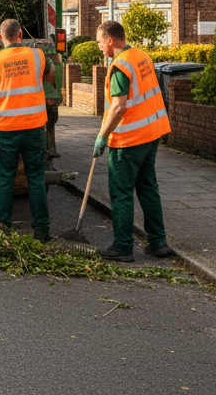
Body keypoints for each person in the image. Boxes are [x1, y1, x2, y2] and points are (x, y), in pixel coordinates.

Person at [92, 20, 172, 262]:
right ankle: (158, 243)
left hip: (129, 139)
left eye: (98, 42)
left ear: (110, 40)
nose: (98, 47)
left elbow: (118, 106)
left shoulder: (119, 67)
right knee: (148, 188)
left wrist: (102, 136)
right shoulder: (141, 56)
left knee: (121, 192)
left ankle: (123, 246)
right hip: (152, 133)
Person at [0, 19, 55, 240]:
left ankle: (2, 227)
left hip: (6, 130)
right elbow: (53, 78)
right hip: (35, 128)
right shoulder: (38, 56)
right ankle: (42, 230)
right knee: (36, 178)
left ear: (0, 38)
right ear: (20, 35)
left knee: (5, 179)